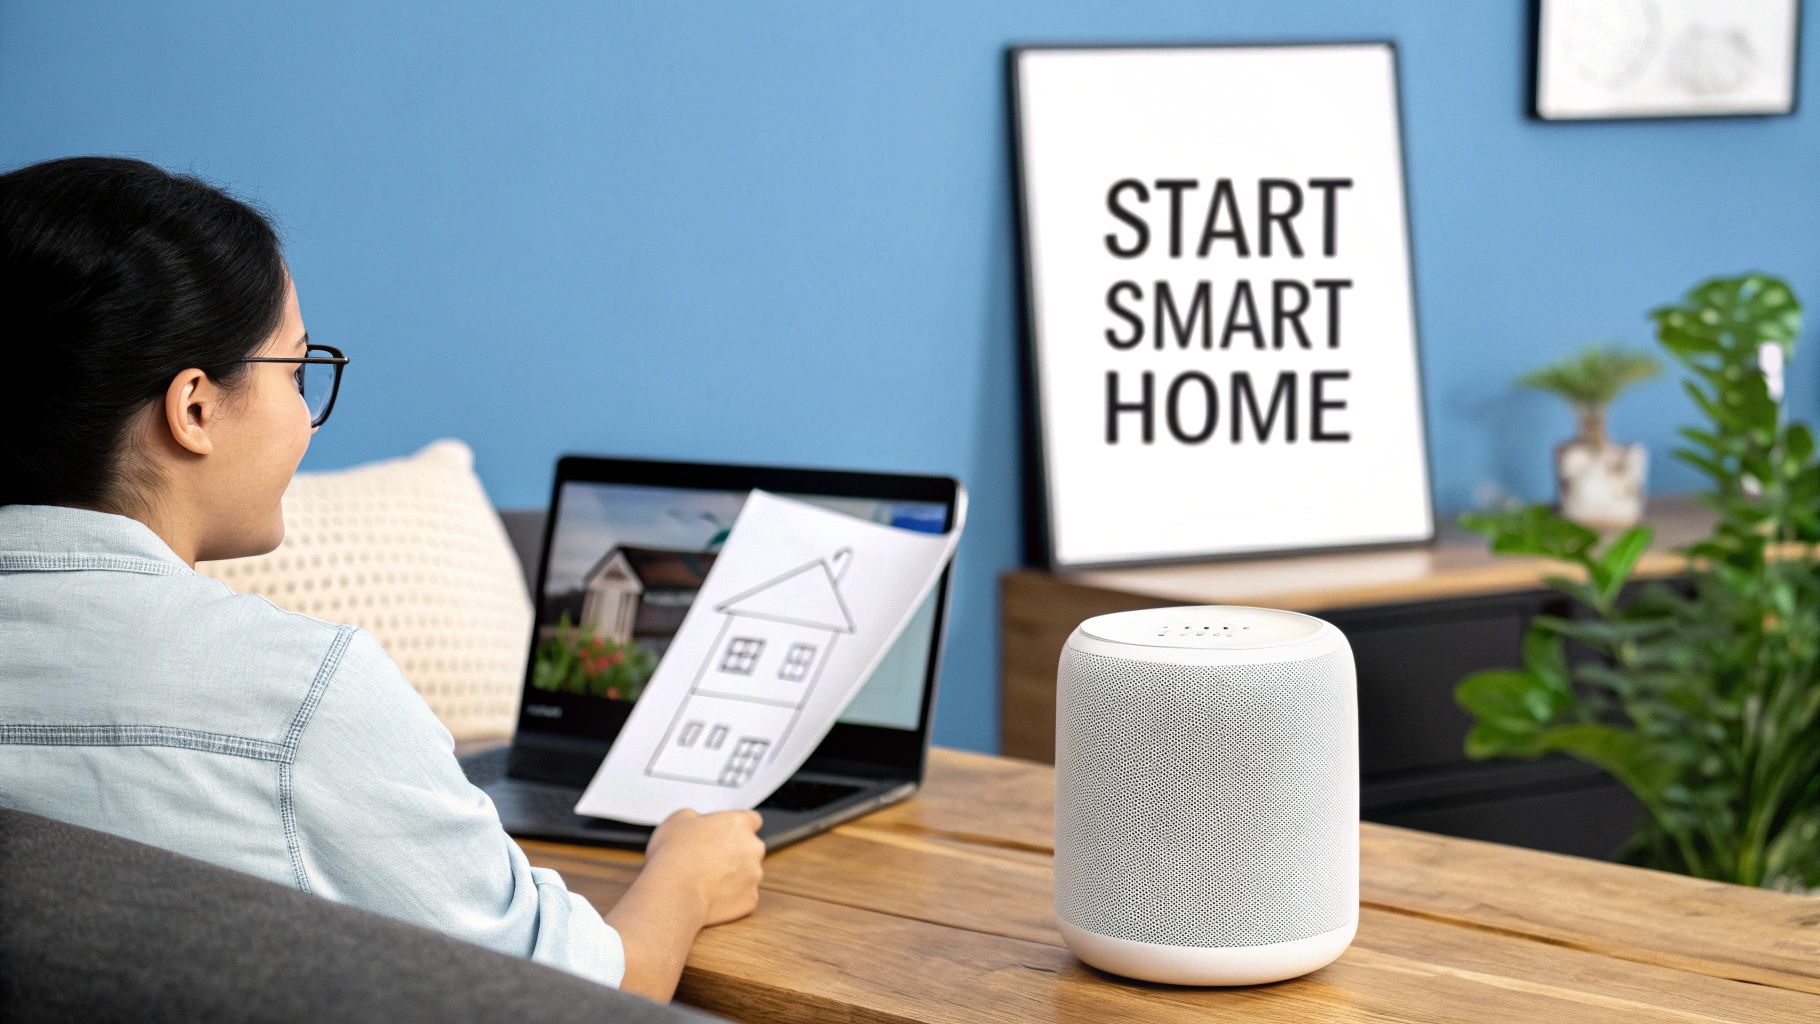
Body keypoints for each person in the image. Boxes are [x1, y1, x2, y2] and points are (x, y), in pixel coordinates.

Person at [0, 156, 765, 1003]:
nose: (304, 414)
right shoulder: (301, 697)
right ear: (194, 409)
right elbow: (567, 997)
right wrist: (687, 876)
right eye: (296, 372)